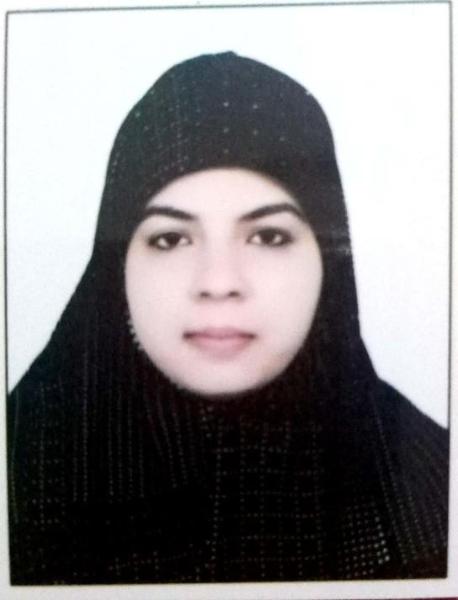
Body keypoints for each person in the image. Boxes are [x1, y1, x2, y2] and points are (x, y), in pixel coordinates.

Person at [7, 52, 448, 584]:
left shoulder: (430, 490)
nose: (218, 282)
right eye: (170, 238)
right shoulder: (24, 467)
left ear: (329, 262)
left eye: (269, 236)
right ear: (116, 266)